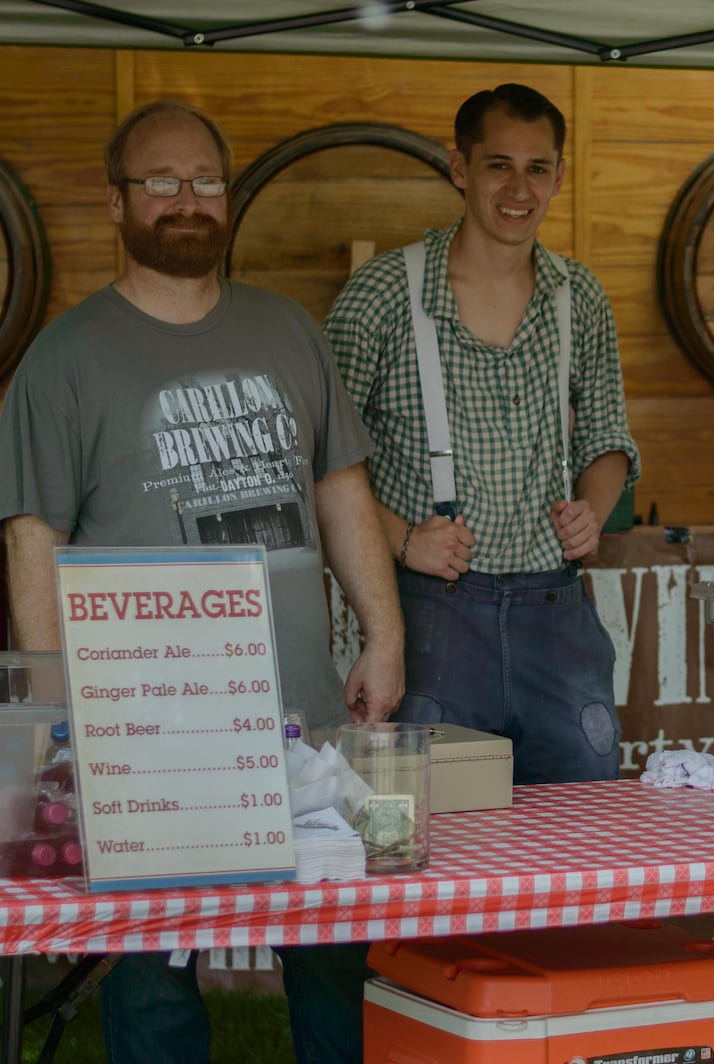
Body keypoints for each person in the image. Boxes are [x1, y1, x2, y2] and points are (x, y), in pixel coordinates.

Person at [0, 100, 404, 1063]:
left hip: (300, 713)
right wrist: (60, 708)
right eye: (162, 182)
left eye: (207, 181)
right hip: (149, 731)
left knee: (333, 952)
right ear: (116, 200)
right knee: (151, 970)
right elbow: (31, 540)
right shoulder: (62, 359)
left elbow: (342, 492)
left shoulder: (288, 331)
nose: (188, 201)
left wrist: (383, 636)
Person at [325, 84, 639, 785]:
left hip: (557, 613)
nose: (519, 188)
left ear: (560, 175)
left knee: (579, 834)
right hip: (436, 618)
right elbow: (321, 465)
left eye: (538, 168)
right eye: (499, 165)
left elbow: (608, 440)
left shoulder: (578, 295)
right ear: (460, 169)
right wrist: (404, 537)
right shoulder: (382, 294)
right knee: (440, 834)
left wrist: (592, 506)